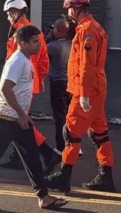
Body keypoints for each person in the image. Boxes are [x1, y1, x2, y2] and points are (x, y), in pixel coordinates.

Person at [0, 25, 68, 211]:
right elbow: (5, 88)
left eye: (40, 41)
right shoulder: (17, 61)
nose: (39, 46)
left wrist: (23, 114)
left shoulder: (26, 59)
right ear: (23, 43)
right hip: (5, 117)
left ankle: (43, 196)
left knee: (32, 156)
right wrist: (21, 113)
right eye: (35, 42)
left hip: (19, 118)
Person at [46, 0, 116, 193]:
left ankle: (63, 175)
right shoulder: (94, 28)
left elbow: (86, 66)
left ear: (76, 8)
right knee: (99, 132)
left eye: (69, 8)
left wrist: (83, 94)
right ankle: (106, 175)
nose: (67, 13)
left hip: (87, 90)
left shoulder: (87, 31)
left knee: (71, 132)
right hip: (96, 88)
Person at [0, 0, 58, 172]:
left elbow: (19, 63)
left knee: (18, 121)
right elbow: (43, 62)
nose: (8, 18)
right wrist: (36, 82)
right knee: (19, 122)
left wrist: (27, 84)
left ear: (16, 14)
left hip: (19, 86)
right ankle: (32, 156)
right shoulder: (30, 31)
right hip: (23, 84)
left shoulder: (23, 34)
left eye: (10, 15)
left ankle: (46, 155)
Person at [47, 19, 76, 155]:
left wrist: (48, 37)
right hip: (72, 83)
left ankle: (60, 147)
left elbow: (40, 53)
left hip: (58, 83)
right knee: (72, 115)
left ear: (57, 30)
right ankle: (74, 144)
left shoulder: (52, 47)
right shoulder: (73, 44)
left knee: (60, 117)